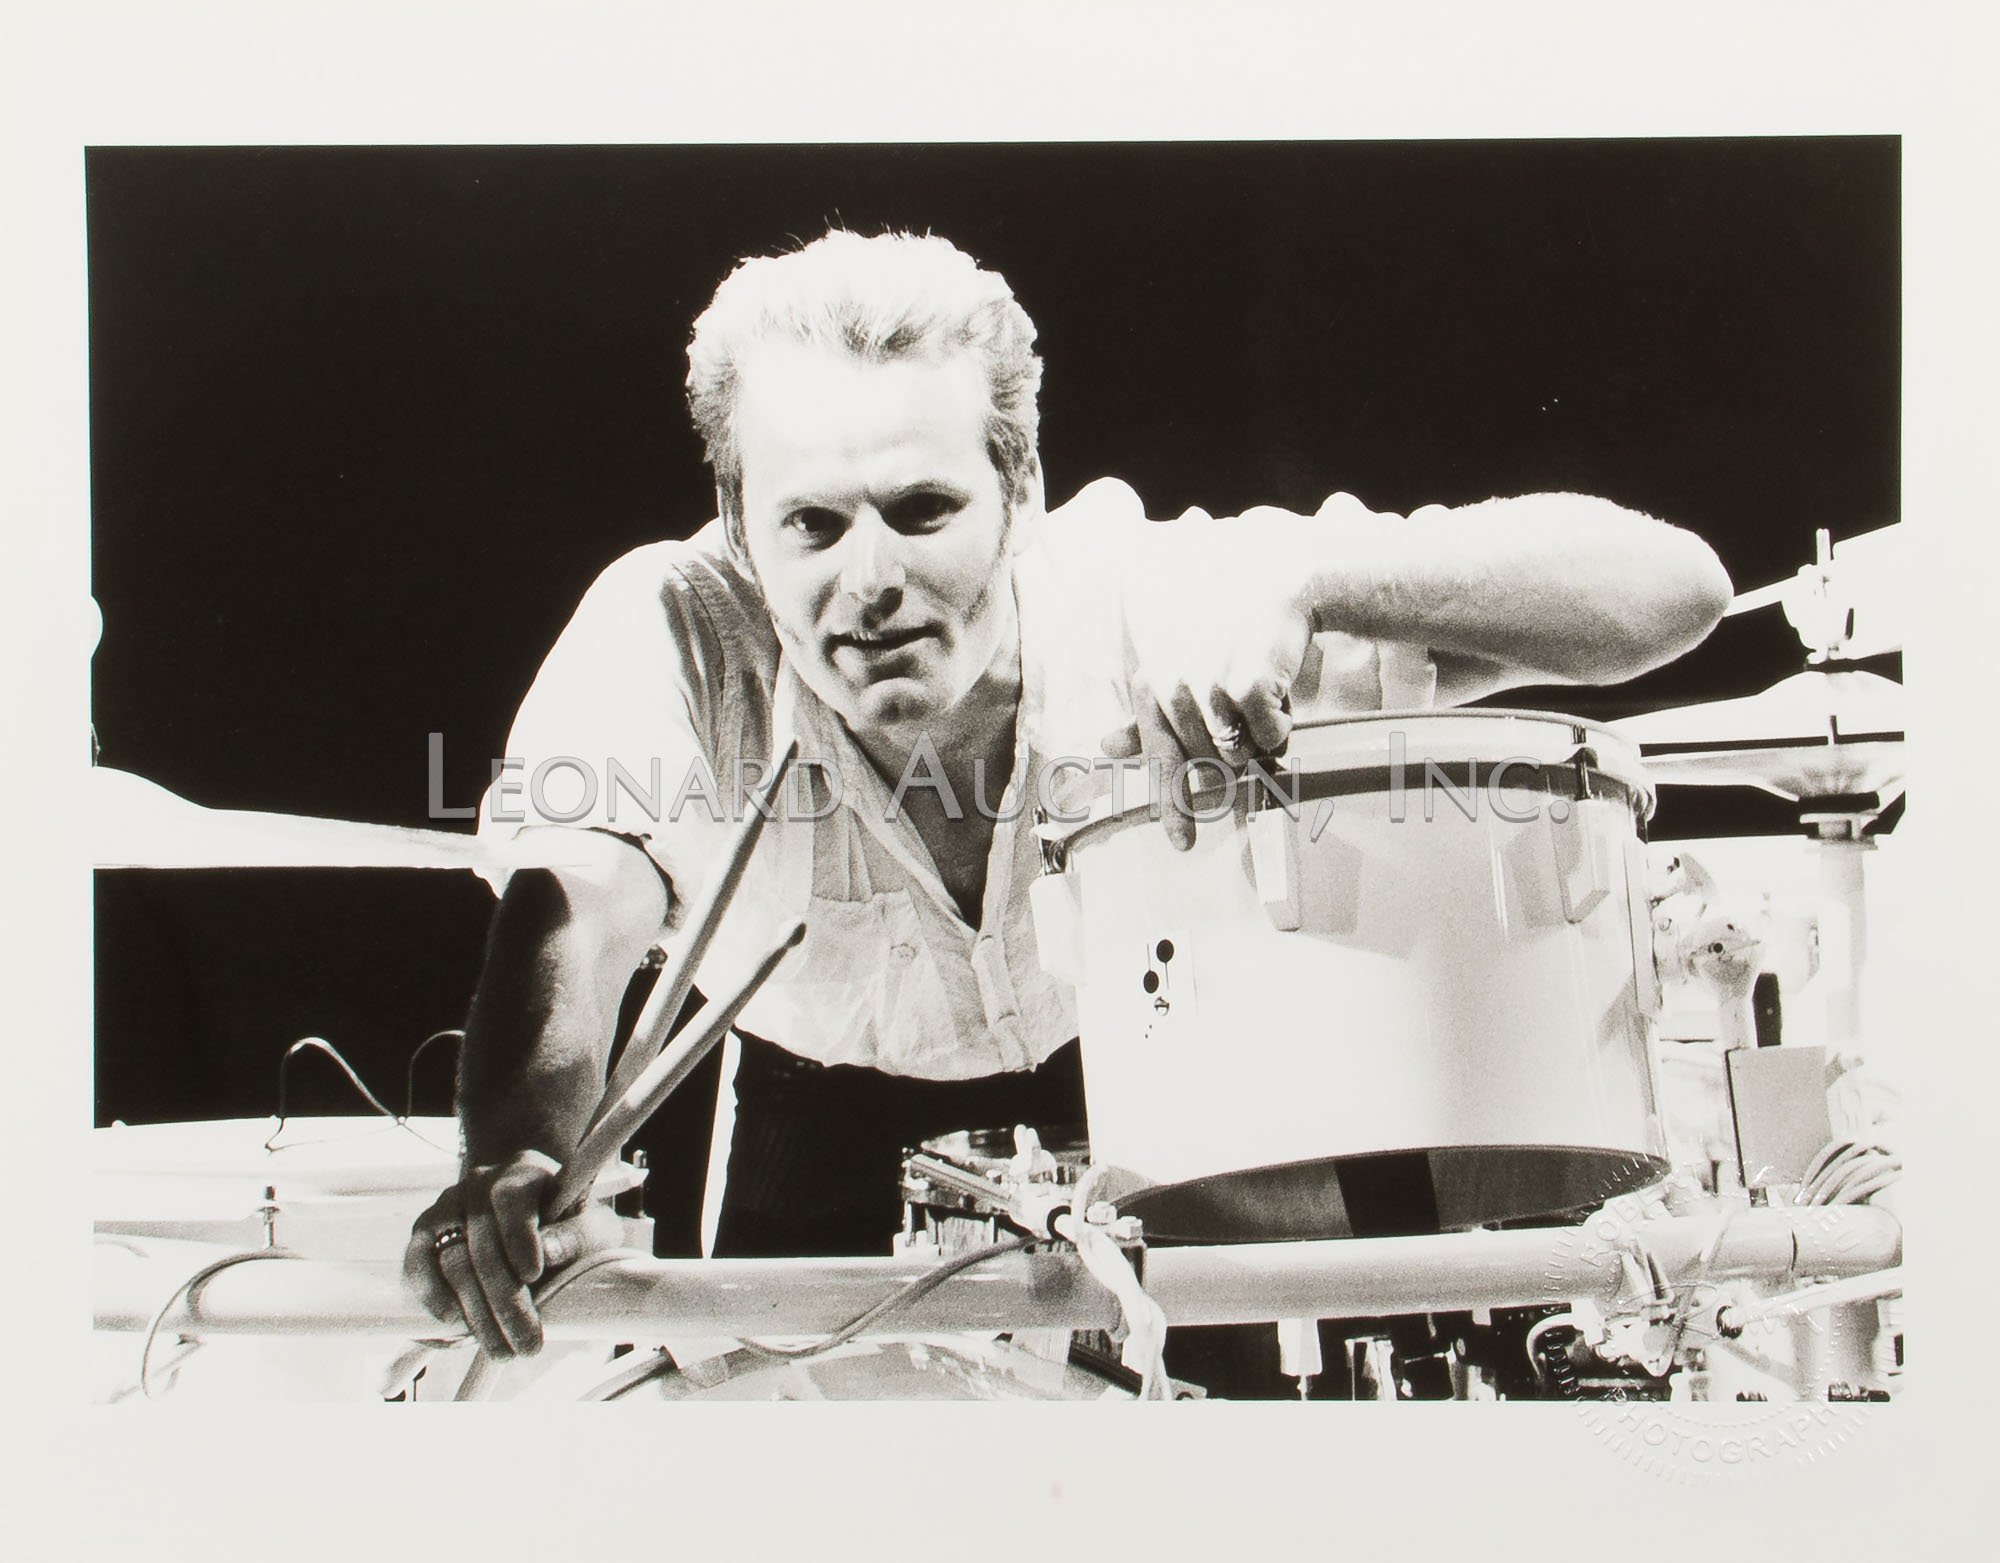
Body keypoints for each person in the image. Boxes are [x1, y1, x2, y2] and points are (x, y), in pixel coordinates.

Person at [404, 228, 1732, 1361]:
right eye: (811, 524)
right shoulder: (670, 627)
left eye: (922, 511)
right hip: (813, 1110)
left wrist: (1313, 583)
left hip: (1143, 1085)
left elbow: (1675, 591)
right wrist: (516, 1158)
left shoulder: (1155, 597)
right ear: (736, 511)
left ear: (1021, 490)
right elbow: (575, 919)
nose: (868, 583)